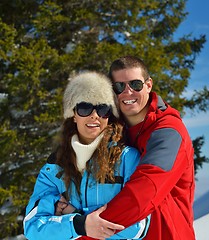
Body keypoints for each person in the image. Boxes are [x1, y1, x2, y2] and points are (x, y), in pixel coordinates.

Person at [23, 71, 150, 240]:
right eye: (84, 108)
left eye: (102, 109)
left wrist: (75, 216)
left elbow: (138, 227)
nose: (94, 115)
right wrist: (80, 224)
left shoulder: (128, 158)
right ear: (73, 115)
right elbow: (33, 228)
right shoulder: (54, 167)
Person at [80, 56, 196, 240]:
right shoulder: (110, 128)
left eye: (135, 84)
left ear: (149, 85)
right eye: (119, 87)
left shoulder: (169, 132)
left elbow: (144, 192)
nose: (128, 92)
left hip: (165, 234)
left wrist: (85, 232)